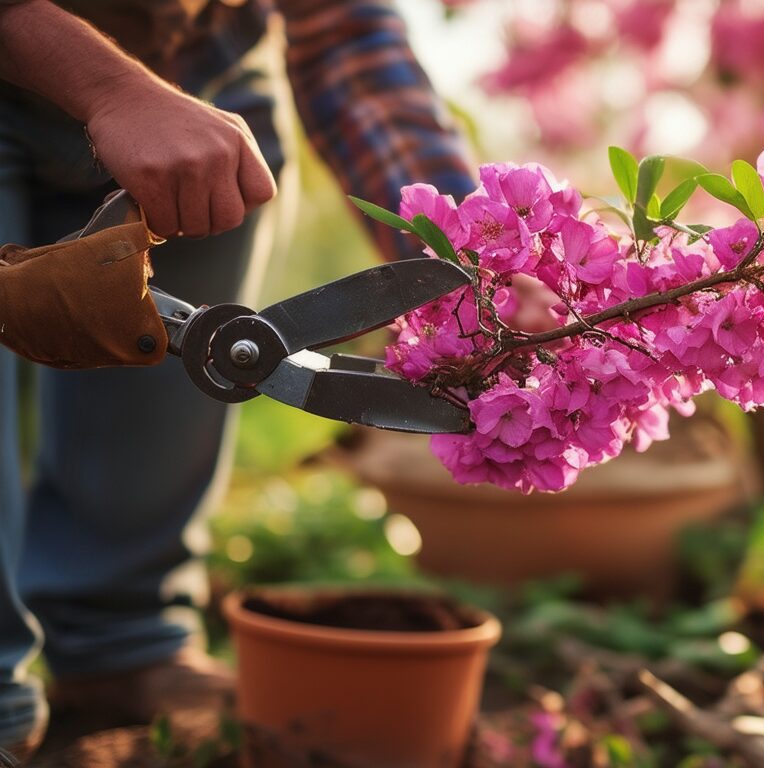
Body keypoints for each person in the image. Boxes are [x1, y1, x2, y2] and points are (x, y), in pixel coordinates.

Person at [0, 0, 477, 758]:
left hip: (201, 100)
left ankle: (119, 651)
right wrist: (110, 90)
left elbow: (345, 37)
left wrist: (476, 268)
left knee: (152, 441)